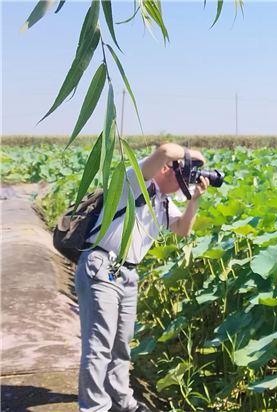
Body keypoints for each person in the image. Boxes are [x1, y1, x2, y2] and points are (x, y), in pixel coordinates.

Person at [74, 143, 210, 412]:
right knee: (99, 343)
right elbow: (164, 150)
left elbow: (182, 229)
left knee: (121, 345)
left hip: (127, 272)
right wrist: (193, 156)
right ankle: (94, 407)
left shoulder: (162, 201)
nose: (188, 174)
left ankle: (121, 401)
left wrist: (193, 199)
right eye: (183, 170)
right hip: (102, 264)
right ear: (166, 169)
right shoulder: (134, 181)